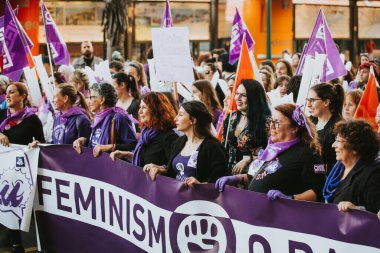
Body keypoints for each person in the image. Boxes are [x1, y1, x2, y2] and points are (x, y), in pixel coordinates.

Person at [216, 104, 326, 203]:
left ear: (294, 129)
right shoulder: (272, 150)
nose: (272, 126)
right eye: (271, 121)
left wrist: (291, 198)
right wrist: (237, 178)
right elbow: (261, 177)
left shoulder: (307, 153)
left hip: (282, 219)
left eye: (277, 122)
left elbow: (318, 191)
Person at [0, 82, 45, 253]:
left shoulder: (32, 119)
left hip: (21, 170)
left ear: (23, 96)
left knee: (15, 203)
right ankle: (13, 243)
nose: (8, 96)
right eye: (7, 93)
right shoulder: (1, 115)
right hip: (3, 169)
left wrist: (36, 143)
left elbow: (43, 142)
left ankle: (24, 242)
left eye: (12, 92)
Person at [143, 101, 228, 187]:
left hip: (199, 199)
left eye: (180, 115)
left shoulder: (213, 147)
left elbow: (220, 181)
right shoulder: (179, 141)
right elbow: (175, 171)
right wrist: (161, 169)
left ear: (193, 120)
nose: (175, 118)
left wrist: (201, 185)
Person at [323, 120, 380, 214]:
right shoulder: (338, 168)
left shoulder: (373, 175)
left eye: (338, 141)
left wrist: (357, 210)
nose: (333, 145)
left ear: (355, 148)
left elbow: (376, 211)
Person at [110, 92, 178, 167]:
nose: (139, 111)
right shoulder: (145, 134)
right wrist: (127, 155)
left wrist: (161, 168)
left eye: (144, 107)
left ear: (156, 110)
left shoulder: (169, 137)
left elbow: (174, 168)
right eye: (140, 107)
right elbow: (145, 159)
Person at [73, 82, 137, 157]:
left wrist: (111, 147)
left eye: (91, 97)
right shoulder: (98, 117)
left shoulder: (118, 117)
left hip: (112, 167)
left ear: (102, 99)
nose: (89, 101)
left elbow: (133, 147)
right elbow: (98, 145)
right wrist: (85, 141)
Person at [222, 79, 271, 174]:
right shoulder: (230, 117)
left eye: (243, 95)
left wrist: (250, 158)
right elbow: (223, 147)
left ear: (254, 98)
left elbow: (272, 151)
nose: (237, 98)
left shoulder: (267, 122)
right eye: (237, 93)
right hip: (228, 175)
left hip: (253, 176)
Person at [307, 83, 344, 173]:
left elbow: (341, 164)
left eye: (312, 100)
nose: (308, 104)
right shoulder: (309, 121)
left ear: (326, 102)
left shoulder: (339, 127)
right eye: (307, 100)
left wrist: (315, 169)